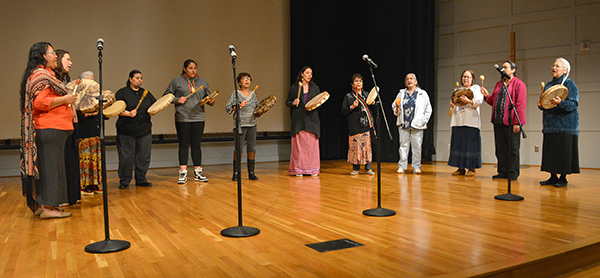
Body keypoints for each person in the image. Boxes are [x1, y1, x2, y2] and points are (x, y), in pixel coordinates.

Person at [20, 42, 75, 218]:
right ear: (44, 55)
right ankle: (48, 208)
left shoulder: (43, 74)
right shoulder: (41, 75)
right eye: (52, 53)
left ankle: (48, 206)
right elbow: (40, 103)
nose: (56, 56)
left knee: (52, 168)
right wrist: (66, 98)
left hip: (54, 130)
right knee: (51, 169)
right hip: (50, 128)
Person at [163, 59, 213, 184]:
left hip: (199, 117)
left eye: (195, 68)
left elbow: (209, 97)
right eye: (190, 68)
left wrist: (211, 100)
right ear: (185, 69)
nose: (193, 70)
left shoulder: (202, 82)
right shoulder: (176, 81)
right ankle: (183, 173)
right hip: (183, 117)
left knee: (196, 144)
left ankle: (198, 171)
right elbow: (166, 96)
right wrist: (177, 100)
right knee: (184, 144)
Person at [537, 58, 579, 187]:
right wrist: (540, 105)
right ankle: (553, 176)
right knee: (551, 152)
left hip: (565, 125)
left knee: (563, 152)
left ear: (565, 70)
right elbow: (544, 102)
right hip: (550, 125)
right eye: (553, 65)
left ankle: (563, 178)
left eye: (557, 66)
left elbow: (573, 104)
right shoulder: (549, 85)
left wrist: (561, 103)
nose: (554, 68)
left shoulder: (570, 84)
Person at [482, 60, 527, 180]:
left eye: (506, 67)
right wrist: (487, 96)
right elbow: (494, 102)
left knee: (512, 149)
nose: (503, 69)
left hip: (511, 122)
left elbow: (520, 105)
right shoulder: (499, 84)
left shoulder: (519, 84)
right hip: (498, 121)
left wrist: (518, 122)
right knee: (500, 148)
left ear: (513, 70)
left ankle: (512, 173)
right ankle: (502, 172)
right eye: (502, 67)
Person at [115, 70, 156, 189]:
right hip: (126, 131)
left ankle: (141, 179)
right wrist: (127, 113)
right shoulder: (122, 93)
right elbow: (115, 108)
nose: (140, 80)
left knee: (143, 156)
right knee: (126, 157)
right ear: (130, 79)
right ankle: (125, 181)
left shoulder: (146, 93)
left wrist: (156, 109)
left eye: (141, 78)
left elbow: (154, 105)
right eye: (137, 78)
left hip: (144, 130)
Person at [54, 49, 81, 205]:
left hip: (70, 123)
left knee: (71, 159)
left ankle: (72, 195)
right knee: (62, 160)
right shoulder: (54, 81)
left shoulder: (65, 81)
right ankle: (61, 196)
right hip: (59, 125)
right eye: (67, 59)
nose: (70, 63)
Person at [392, 73, 432, 174]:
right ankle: (402, 166)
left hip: (417, 124)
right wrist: (397, 110)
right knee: (403, 146)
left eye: (411, 78)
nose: (409, 80)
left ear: (416, 81)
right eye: (407, 79)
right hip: (404, 123)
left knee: (417, 147)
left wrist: (424, 120)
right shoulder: (401, 93)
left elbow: (428, 109)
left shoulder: (422, 93)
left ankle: (416, 166)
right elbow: (394, 105)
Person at [285, 66, 322, 177]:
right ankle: (298, 169)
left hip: (312, 120)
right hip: (299, 119)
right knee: (299, 146)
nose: (309, 75)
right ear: (302, 74)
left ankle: (313, 169)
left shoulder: (315, 88)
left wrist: (314, 104)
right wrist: (293, 102)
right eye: (307, 73)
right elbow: (287, 102)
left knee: (311, 146)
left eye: (311, 73)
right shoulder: (294, 88)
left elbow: (319, 103)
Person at [448, 70, 483, 176]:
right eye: (464, 76)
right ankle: (460, 168)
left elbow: (479, 101)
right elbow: (455, 101)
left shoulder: (476, 89)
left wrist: (468, 101)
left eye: (468, 77)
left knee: (470, 145)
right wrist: (453, 104)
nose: (465, 79)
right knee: (459, 144)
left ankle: (472, 169)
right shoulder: (458, 89)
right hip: (458, 121)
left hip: (470, 121)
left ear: (472, 79)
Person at [225, 72, 259, 181]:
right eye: (244, 79)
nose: (247, 80)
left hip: (252, 123)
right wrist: (238, 106)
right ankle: (236, 172)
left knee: (252, 148)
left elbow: (257, 107)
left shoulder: (253, 94)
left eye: (249, 78)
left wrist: (262, 110)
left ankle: (251, 172)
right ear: (239, 82)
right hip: (240, 124)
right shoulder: (236, 94)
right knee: (238, 149)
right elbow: (228, 108)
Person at [341, 73, 375, 175]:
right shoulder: (348, 96)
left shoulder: (367, 95)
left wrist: (373, 103)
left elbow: (373, 108)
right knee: (356, 147)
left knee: (367, 147)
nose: (358, 83)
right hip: (354, 125)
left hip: (365, 124)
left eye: (360, 81)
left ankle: (368, 168)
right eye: (356, 81)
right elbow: (343, 110)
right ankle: (356, 168)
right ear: (352, 84)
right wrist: (351, 107)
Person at [77, 72, 103, 195]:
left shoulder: (95, 96)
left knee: (95, 160)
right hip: (83, 134)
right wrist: (88, 113)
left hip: (95, 132)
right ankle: (84, 186)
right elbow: (75, 115)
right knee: (85, 160)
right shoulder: (77, 95)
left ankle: (95, 184)